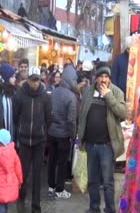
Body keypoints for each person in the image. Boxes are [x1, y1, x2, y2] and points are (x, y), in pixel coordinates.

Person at [78, 64, 127, 213]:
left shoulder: (116, 92)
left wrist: (108, 96)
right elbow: (82, 114)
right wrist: (81, 138)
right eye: (101, 76)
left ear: (109, 78)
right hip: (91, 144)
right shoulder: (88, 91)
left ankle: (110, 209)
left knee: (107, 182)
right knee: (92, 181)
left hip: (107, 146)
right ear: (96, 78)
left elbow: (123, 113)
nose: (103, 80)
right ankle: (94, 208)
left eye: (106, 77)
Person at [13, 67, 51, 213]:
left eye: (37, 80)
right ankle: (21, 200)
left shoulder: (45, 96)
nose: (35, 83)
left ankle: (36, 205)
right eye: (32, 80)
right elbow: (15, 116)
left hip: (39, 141)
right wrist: (22, 129)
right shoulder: (19, 95)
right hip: (24, 141)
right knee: (22, 173)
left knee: (37, 174)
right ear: (27, 79)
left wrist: (43, 133)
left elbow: (49, 118)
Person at [47, 64, 77, 200]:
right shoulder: (71, 97)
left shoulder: (54, 92)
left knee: (51, 161)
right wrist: (72, 134)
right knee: (62, 162)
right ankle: (59, 190)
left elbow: (48, 113)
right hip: (64, 135)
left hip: (51, 133)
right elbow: (71, 120)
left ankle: (51, 186)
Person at [0, 63, 17, 138]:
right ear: (6, 78)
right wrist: (0, 130)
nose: (15, 79)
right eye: (12, 77)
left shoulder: (15, 91)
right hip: (2, 133)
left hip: (14, 131)